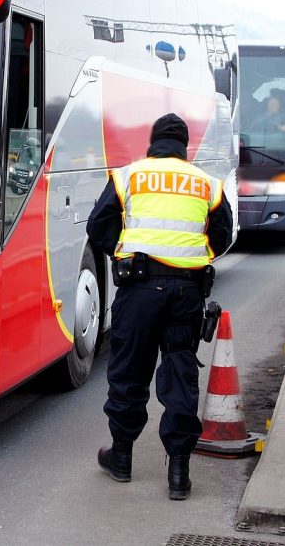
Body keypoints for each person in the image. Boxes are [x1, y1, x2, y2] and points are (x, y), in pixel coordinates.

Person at [86, 113, 234, 500]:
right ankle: (179, 473)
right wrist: (191, 257)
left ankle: (121, 458)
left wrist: (125, 254)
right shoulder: (206, 184)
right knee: (180, 372)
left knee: (129, 371)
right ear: (184, 146)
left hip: (138, 289)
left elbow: (98, 226)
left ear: (153, 142)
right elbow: (222, 235)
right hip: (186, 293)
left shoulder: (129, 176)